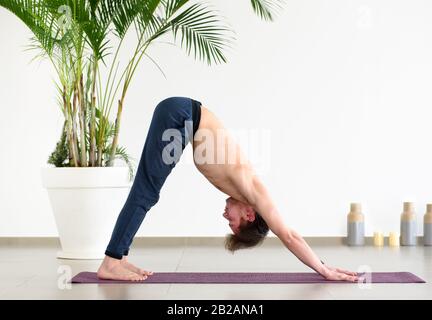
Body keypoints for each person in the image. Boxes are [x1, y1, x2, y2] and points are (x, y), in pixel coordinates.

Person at [97, 97, 359, 282]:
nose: (225, 218)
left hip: (181, 116)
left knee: (148, 191)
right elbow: (289, 236)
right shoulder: (256, 192)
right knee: (146, 191)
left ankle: (119, 257)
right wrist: (323, 269)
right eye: (233, 224)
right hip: (181, 116)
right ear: (249, 215)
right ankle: (111, 260)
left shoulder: (246, 191)